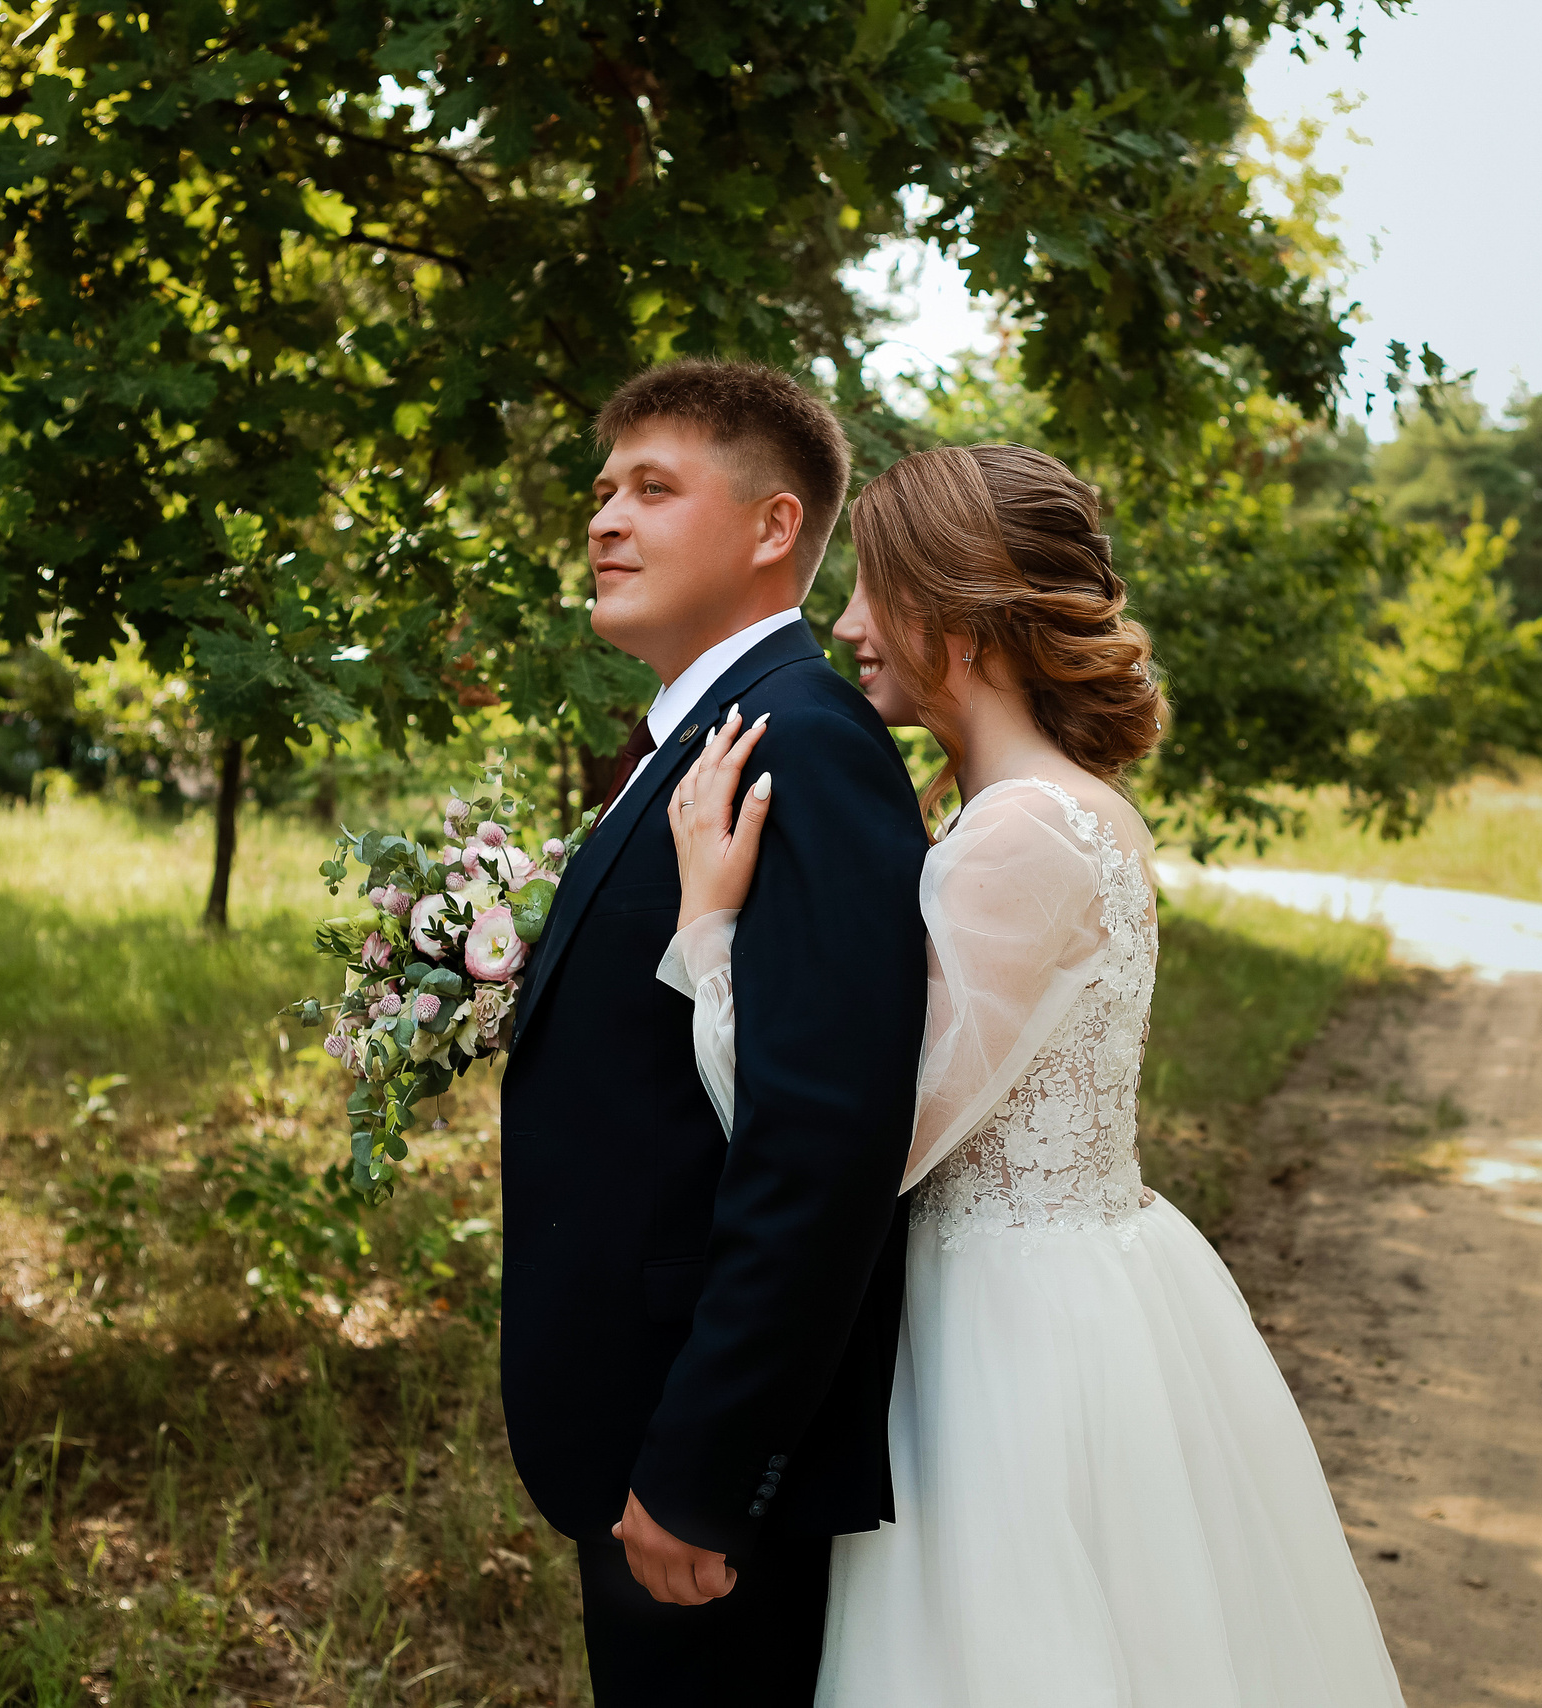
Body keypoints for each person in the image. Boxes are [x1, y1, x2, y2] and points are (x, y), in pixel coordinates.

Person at [660, 443, 1409, 1706]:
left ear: (959, 616)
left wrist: (708, 930)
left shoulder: (1021, 831)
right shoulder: (1059, 805)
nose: (846, 625)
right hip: (1083, 1275)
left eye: (874, 591)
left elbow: (869, 1142)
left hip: (1004, 1328)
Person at [498, 360, 930, 1708]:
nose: (605, 519)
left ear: (772, 528)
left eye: (653, 488)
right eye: (602, 491)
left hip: (695, 1453)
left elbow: (821, 1143)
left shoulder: (806, 747)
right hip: (634, 1414)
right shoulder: (706, 737)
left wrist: (705, 1463)